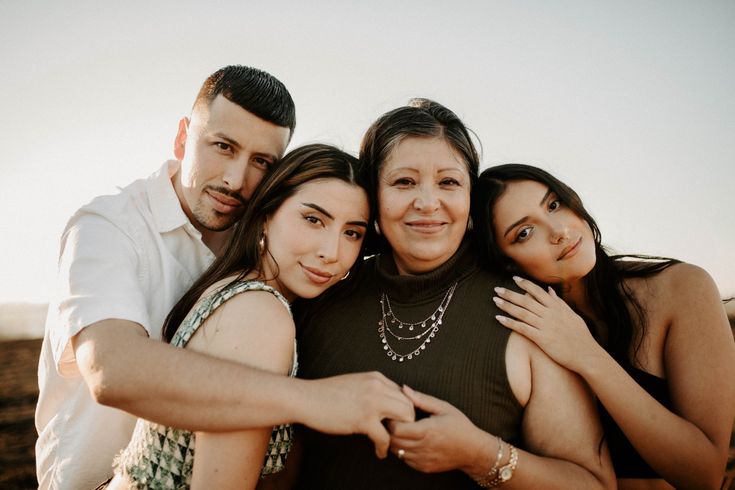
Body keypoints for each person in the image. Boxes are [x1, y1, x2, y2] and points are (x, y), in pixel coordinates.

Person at [35, 65, 413, 490]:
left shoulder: (259, 247)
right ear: (183, 137)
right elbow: (111, 371)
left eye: (261, 162)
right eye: (223, 146)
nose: (236, 179)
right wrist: (317, 402)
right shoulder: (109, 227)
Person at [295, 99, 616, 489]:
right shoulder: (321, 291)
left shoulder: (526, 311)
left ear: (470, 199)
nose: (429, 203)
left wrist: (482, 455)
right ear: (373, 197)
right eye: (404, 182)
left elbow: (594, 485)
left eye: (448, 182)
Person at [103, 144, 369, 489]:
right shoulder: (260, 314)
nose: (331, 252)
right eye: (313, 219)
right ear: (265, 216)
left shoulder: (235, 286)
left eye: (352, 233)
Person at [476, 163, 735, 489]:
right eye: (524, 233)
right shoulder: (518, 329)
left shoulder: (681, 288)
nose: (558, 231)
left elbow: (705, 474)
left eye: (553, 204)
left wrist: (585, 353)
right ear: (506, 262)